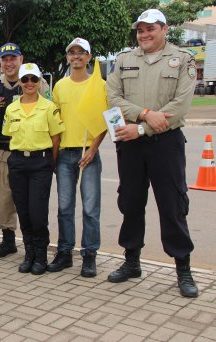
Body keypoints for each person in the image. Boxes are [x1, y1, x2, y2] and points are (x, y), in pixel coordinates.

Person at [107, 9, 198, 297]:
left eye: (150, 29)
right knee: (131, 203)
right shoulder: (123, 61)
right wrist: (145, 114)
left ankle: (183, 268)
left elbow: (180, 106)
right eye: (140, 30)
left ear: (164, 29)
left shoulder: (183, 60)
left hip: (166, 144)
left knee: (172, 206)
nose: (144, 35)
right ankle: (131, 262)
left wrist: (142, 128)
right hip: (130, 145)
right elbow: (113, 99)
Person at [50, 38, 106, 277]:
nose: (76, 57)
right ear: (67, 58)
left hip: (88, 154)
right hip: (64, 154)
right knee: (64, 207)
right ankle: (64, 252)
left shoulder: (99, 85)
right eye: (72, 53)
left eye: (81, 53)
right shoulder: (60, 86)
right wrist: (53, 158)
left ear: (89, 57)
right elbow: (54, 123)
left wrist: (93, 149)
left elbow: (105, 121)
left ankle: (89, 255)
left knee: (91, 209)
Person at [3, 63, 65, 275]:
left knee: (38, 213)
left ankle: (41, 255)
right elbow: (9, 135)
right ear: (20, 82)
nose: (30, 84)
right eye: (25, 79)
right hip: (18, 163)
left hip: (41, 164)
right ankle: (28, 253)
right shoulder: (12, 108)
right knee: (23, 210)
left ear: (40, 81)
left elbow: (56, 139)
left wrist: (50, 163)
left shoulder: (48, 107)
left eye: (34, 79)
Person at [0, 43, 50, 258]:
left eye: (13, 58)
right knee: (2, 199)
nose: (9, 63)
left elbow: (51, 117)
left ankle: (33, 247)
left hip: (32, 153)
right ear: (0, 62)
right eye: (5, 59)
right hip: (2, 153)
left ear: (21, 59)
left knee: (31, 204)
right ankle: (7, 240)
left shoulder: (38, 84)